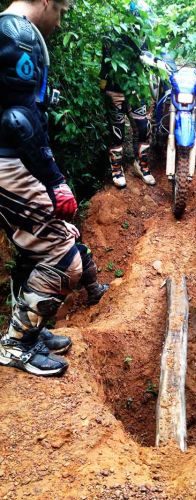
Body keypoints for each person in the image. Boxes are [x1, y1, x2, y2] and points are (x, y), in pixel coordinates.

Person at [0, 0, 108, 377]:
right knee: (62, 252)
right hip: (10, 161)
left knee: (32, 246)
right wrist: (55, 180)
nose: (59, 23)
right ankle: (17, 344)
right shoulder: (18, 35)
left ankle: (31, 328)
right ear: (45, 1)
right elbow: (19, 119)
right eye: (60, 11)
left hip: (10, 160)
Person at [99, 1, 156, 188]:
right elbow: (104, 67)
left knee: (143, 127)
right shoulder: (113, 35)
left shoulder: (144, 37)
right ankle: (116, 169)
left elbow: (147, 63)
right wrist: (106, 92)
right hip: (116, 92)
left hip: (136, 91)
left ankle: (142, 165)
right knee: (117, 133)